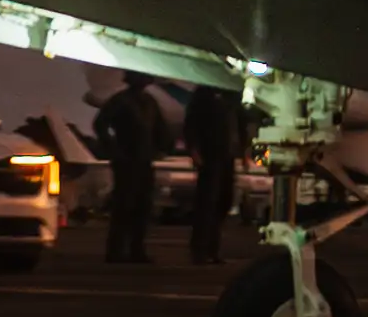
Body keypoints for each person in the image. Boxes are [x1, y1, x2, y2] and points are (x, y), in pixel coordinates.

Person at [90, 72, 178, 266]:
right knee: (124, 205)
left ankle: (136, 249)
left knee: (142, 207)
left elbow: (160, 128)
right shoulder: (122, 101)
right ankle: (116, 251)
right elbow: (100, 124)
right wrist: (114, 149)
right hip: (126, 160)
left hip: (143, 160)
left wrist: (162, 147)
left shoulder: (148, 102)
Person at [183, 71, 253, 263]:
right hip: (210, 155)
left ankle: (212, 249)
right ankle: (199, 251)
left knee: (223, 201)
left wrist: (244, 152)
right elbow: (191, 124)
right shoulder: (203, 94)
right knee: (207, 203)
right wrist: (194, 151)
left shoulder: (231, 95)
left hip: (227, 156)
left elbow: (240, 124)